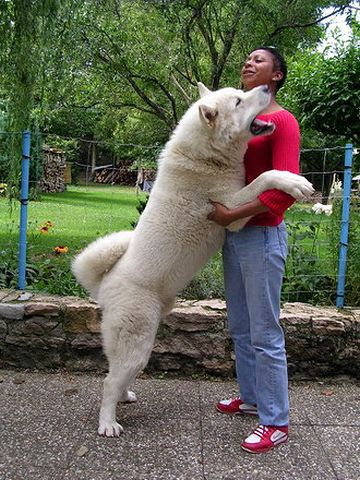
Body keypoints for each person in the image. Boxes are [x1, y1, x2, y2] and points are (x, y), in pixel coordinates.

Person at [207, 46, 300, 454]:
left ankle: (275, 420)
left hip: (261, 235)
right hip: (236, 235)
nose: (249, 62)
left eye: (259, 60)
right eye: (246, 58)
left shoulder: (282, 121)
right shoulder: (241, 121)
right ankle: (250, 400)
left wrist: (233, 214)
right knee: (241, 327)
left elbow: (284, 192)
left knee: (265, 333)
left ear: (276, 75)